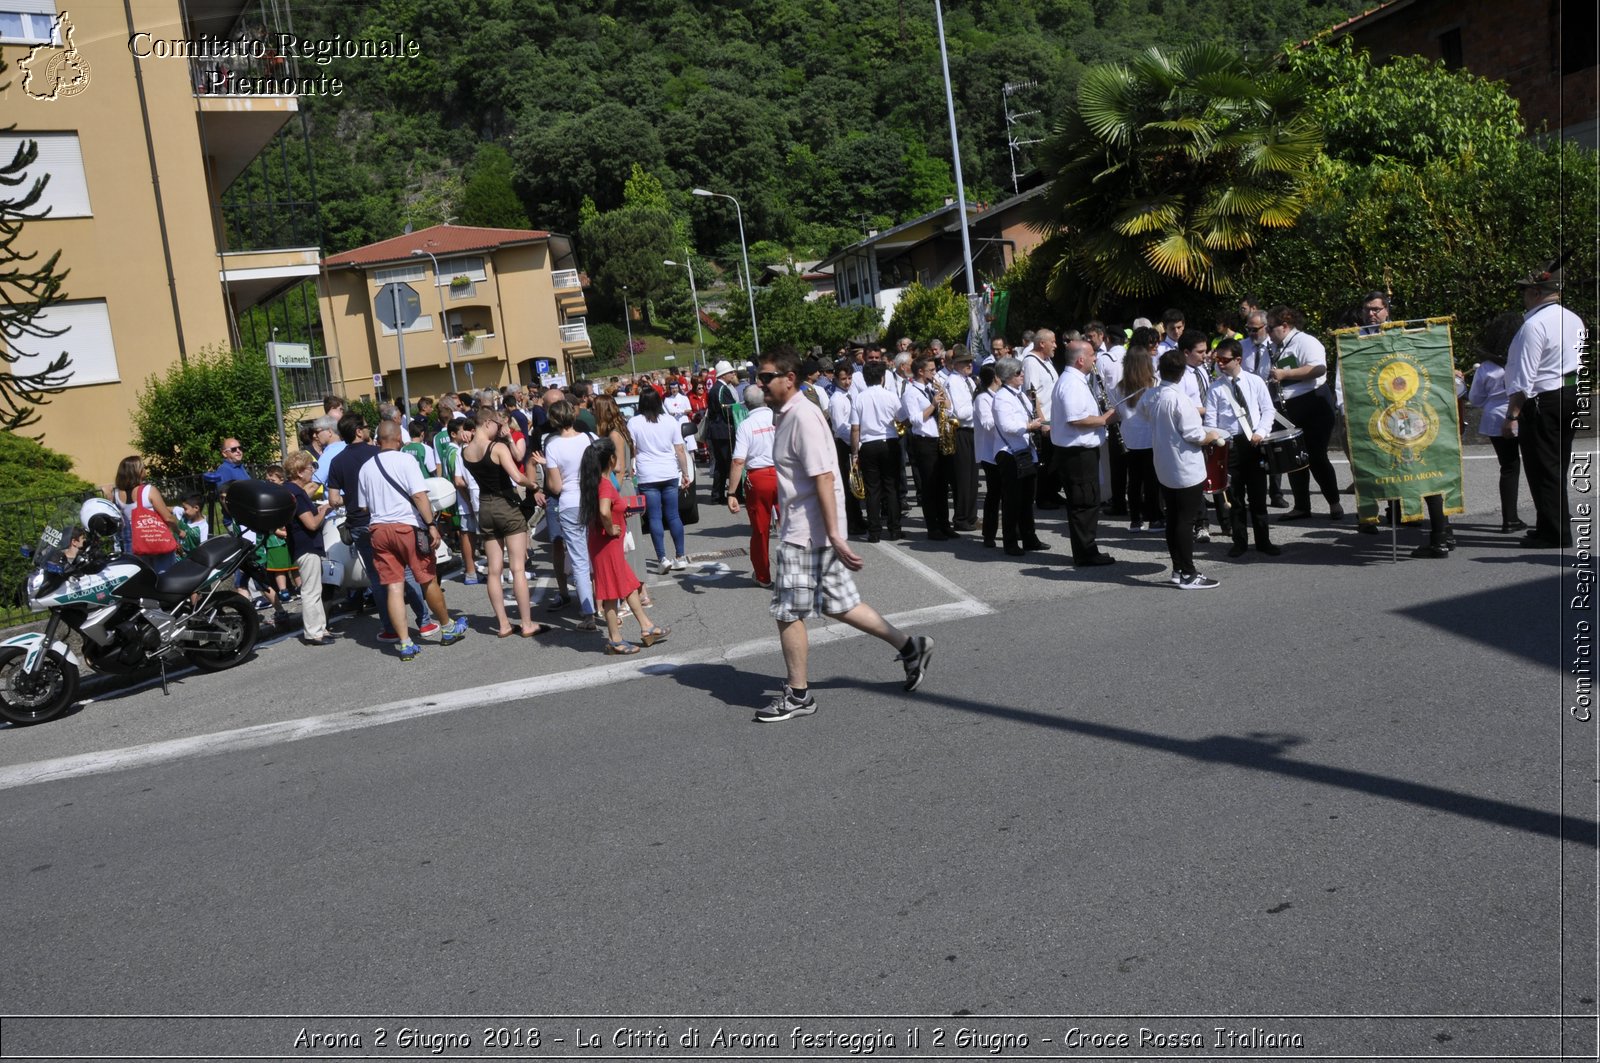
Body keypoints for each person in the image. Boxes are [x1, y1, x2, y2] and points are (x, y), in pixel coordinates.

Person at [754, 348, 933, 723]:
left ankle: (799, 694)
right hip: (810, 529)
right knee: (839, 605)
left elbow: (823, 476)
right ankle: (910, 646)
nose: (760, 383)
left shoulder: (802, 416)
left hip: (807, 532)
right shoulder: (790, 414)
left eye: (766, 376)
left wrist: (834, 534)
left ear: (790, 378)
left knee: (787, 612)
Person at [356, 420, 468, 660]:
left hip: (378, 530)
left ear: (378, 441)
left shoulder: (366, 467)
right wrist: (431, 525)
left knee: (394, 585)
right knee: (427, 579)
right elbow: (419, 495)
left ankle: (405, 643)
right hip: (407, 527)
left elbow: (363, 507)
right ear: (398, 439)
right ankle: (447, 628)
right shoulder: (406, 460)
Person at [327, 411, 439, 643]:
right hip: (390, 519)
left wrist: (348, 499)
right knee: (408, 575)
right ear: (358, 431)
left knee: (379, 580)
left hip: (359, 524)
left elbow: (333, 499)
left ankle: (390, 629)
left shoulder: (337, 462)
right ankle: (424, 621)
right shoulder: (376, 454)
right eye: (366, 427)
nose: (369, 430)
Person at [1506, 257, 1584, 550]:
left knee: (1542, 468)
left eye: (1526, 291)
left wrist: (1512, 414)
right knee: (1556, 466)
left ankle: (1555, 532)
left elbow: (1524, 377)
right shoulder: (1573, 318)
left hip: (1543, 400)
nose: (1523, 296)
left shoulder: (1533, 326)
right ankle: (1547, 525)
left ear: (1537, 293)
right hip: (1571, 394)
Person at [461, 409, 550, 639]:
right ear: (488, 422)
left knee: (494, 571)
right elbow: (517, 476)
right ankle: (527, 623)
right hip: (505, 505)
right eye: (497, 424)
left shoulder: (466, 451)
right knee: (518, 567)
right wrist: (534, 486)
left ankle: (503, 625)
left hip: (485, 506)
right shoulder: (497, 448)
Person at [1148, 349, 1228, 588]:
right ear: (1182, 373)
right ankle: (1188, 574)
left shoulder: (1150, 395)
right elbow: (1194, 434)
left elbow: (1142, 415)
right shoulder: (1180, 399)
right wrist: (1211, 436)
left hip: (1163, 464)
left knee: (1173, 519)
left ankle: (1178, 569)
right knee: (1184, 521)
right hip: (1184, 467)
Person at [580, 438, 668, 653]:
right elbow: (603, 511)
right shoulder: (605, 484)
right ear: (610, 459)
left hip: (607, 544)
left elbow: (607, 508)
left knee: (628, 584)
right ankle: (615, 640)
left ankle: (647, 626)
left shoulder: (597, 481)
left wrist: (620, 511)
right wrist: (610, 527)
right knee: (611, 592)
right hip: (607, 544)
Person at [1205, 339, 1281, 558]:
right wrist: (1219, 439)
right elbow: (1211, 421)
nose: (1219, 363)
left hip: (1254, 442)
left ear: (1238, 359)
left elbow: (1268, 409)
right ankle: (1239, 541)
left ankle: (1263, 541)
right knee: (1235, 498)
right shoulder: (1216, 388)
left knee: (1258, 496)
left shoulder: (1255, 381)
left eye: (1224, 359)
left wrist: (1261, 431)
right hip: (1230, 446)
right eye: (1217, 359)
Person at [1268, 305, 1344, 521]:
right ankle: (1301, 506)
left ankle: (1334, 503)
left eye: (1271, 327)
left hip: (1313, 403)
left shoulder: (1305, 342)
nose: (1268, 332)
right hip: (1286, 407)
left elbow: (1319, 369)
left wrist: (1285, 373)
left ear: (1284, 326)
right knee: (1293, 458)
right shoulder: (1274, 346)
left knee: (1317, 456)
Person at [1049, 340, 1118, 566]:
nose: (1095, 359)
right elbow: (1076, 418)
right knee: (1084, 503)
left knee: (1087, 501)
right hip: (1076, 454)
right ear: (1081, 359)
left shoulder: (1075, 380)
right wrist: (1105, 419)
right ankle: (1085, 553)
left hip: (1080, 452)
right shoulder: (1071, 383)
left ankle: (1088, 549)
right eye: (1091, 355)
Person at [1468, 312, 1528, 533]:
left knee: (1509, 467)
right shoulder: (1524, 360)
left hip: (1495, 417)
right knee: (1537, 465)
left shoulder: (1486, 367)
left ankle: (1509, 518)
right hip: (1525, 413)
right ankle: (1550, 513)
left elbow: (1475, 398)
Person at [544, 400, 600, 628]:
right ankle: (608, 604)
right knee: (598, 555)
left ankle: (589, 613)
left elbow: (555, 487)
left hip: (569, 503)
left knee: (579, 560)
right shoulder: (590, 439)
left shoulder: (552, 446)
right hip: (593, 500)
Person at [628, 386, 693, 573]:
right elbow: (680, 450)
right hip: (669, 472)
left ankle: (662, 558)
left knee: (654, 516)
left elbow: (632, 450)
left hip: (647, 474)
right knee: (673, 515)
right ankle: (680, 556)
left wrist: (631, 470)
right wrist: (685, 473)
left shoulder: (634, 422)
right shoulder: (670, 421)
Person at [992, 357, 1047, 556]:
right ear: (1007, 376)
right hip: (1009, 453)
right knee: (1012, 501)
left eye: (1021, 371)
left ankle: (1029, 538)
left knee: (1026, 500)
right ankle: (1010, 542)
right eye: (1018, 372)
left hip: (1025, 451)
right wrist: (1028, 426)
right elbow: (1007, 426)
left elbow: (1029, 417)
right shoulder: (1001, 397)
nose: (1022, 374)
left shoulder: (1020, 395)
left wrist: (1040, 425)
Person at [726, 383, 780, 586]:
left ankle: (763, 575)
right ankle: (799, 570)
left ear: (745, 405)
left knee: (760, 529)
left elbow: (738, 460)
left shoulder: (746, 426)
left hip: (758, 477)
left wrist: (731, 493)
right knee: (793, 525)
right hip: (783, 473)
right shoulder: (778, 417)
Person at [902, 355, 957, 540]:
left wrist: (944, 397)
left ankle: (944, 524)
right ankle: (932, 527)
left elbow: (949, 410)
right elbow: (915, 420)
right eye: (931, 371)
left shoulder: (931, 388)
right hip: (924, 442)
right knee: (929, 486)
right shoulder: (911, 393)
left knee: (942, 485)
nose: (935, 374)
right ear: (920, 372)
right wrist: (933, 404)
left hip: (940, 439)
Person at [849, 361, 905, 543]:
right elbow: (902, 417)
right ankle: (895, 529)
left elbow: (855, 429)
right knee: (891, 487)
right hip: (889, 441)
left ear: (865, 379)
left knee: (873, 490)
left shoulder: (859, 398)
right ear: (882, 378)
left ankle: (874, 532)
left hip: (868, 444)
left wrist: (855, 452)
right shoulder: (890, 396)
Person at [283, 451, 334, 646]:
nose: (312, 470)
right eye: (309, 467)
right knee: (311, 590)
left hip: (301, 545)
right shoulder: (297, 493)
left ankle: (321, 628)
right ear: (299, 471)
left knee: (315, 588)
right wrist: (324, 510)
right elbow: (311, 524)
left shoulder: (290, 491)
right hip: (306, 545)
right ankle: (314, 633)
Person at [1115, 344, 1163, 533]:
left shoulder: (1121, 386)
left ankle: (1136, 519)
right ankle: (1155, 518)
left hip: (1130, 438)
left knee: (1134, 481)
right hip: (1149, 438)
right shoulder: (1154, 383)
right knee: (1152, 480)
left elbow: (1119, 412)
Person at [109, 454, 180, 573]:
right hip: (154, 539)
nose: (145, 470)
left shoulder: (116, 495)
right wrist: (179, 531)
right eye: (143, 467)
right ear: (136, 471)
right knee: (166, 576)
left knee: (145, 579)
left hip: (133, 544)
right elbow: (167, 517)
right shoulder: (148, 490)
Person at [940, 346, 980, 531]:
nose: (969, 364)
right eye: (965, 361)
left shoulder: (968, 381)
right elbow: (961, 413)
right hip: (961, 431)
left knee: (972, 477)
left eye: (970, 361)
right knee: (963, 478)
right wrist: (979, 407)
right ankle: (962, 517)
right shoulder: (954, 382)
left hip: (972, 432)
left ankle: (971, 516)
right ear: (955, 364)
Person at [828, 364, 867, 537]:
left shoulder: (852, 394)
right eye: (843, 379)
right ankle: (852, 521)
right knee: (849, 484)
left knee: (856, 482)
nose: (847, 382)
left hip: (854, 441)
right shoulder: (836, 400)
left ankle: (857, 517)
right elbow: (840, 428)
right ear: (836, 378)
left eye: (849, 378)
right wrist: (856, 443)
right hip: (846, 444)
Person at [972, 363, 1004, 547]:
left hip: (1004, 450)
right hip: (989, 453)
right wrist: (1006, 418)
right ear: (996, 378)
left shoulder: (1001, 396)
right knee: (994, 494)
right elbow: (986, 423)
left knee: (1007, 493)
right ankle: (989, 534)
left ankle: (1012, 531)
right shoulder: (983, 398)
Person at [705, 361, 742, 503]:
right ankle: (735, 494)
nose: (733, 374)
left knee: (720, 465)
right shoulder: (722, 389)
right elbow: (730, 410)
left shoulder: (716, 388)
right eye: (731, 372)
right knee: (729, 463)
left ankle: (717, 495)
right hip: (724, 431)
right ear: (724, 375)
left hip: (717, 431)